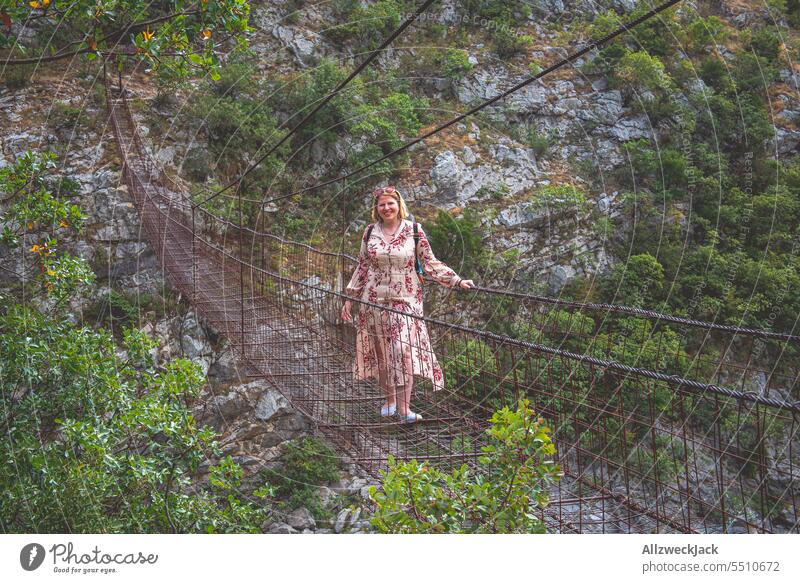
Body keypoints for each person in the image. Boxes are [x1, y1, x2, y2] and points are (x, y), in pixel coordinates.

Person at [341, 185, 475, 423]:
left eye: (390, 203)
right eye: (382, 204)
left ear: (398, 205)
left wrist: (456, 280)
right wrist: (350, 300)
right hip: (373, 300)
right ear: (377, 208)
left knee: (402, 352)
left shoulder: (414, 230)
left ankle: (404, 410)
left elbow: (429, 261)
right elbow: (362, 265)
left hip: (407, 300)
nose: (386, 208)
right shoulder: (370, 231)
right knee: (382, 352)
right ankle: (390, 401)